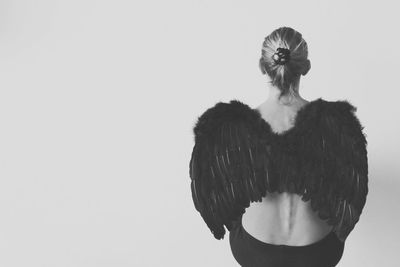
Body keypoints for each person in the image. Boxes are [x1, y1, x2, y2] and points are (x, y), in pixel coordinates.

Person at [189, 26, 368, 267]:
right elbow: (352, 194)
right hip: (319, 253)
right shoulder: (338, 125)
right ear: (306, 67)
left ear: (262, 66)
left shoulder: (229, 126)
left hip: (254, 252)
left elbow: (210, 189)